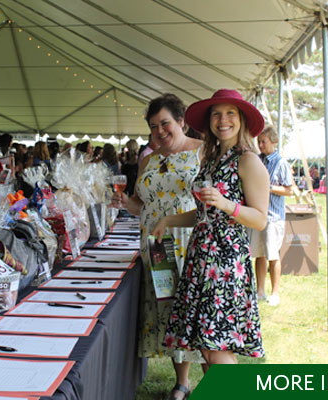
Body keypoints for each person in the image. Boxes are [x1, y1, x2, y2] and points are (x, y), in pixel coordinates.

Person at [152, 89, 269, 369]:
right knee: (206, 347)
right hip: (201, 257)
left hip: (226, 263)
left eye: (230, 113)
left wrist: (229, 205)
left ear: (241, 119)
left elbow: (261, 219)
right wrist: (170, 220)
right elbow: (206, 213)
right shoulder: (210, 159)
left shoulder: (248, 160)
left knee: (216, 348)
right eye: (216, 114)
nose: (223, 120)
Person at [112, 93, 203, 400]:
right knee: (169, 312)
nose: (160, 132)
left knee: (197, 314)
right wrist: (126, 202)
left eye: (165, 123)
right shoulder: (149, 159)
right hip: (157, 247)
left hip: (190, 243)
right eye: (153, 127)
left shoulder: (202, 153)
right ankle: (182, 383)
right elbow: (144, 205)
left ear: (181, 121)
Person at [250, 125, 293, 307]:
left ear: (273, 142)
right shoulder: (256, 160)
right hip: (257, 215)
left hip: (274, 216)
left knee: (273, 255)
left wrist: (266, 187)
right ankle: (260, 290)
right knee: (258, 254)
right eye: (259, 142)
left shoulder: (281, 163)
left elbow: (289, 190)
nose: (260, 145)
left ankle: (275, 293)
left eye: (264, 142)